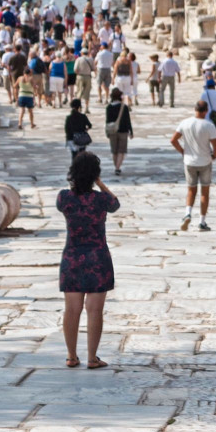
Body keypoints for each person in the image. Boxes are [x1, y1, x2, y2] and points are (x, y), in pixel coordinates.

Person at [58, 152, 119, 370]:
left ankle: (71, 356)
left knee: (71, 309)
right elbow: (115, 204)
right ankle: (93, 358)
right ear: (95, 174)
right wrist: (99, 183)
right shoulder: (102, 200)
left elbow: (62, 204)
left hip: (72, 257)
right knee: (94, 310)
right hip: (98, 258)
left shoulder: (64, 198)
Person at [171, 100, 216, 232]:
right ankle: (202, 221)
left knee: (191, 190)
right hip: (205, 161)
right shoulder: (208, 125)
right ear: (206, 111)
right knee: (205, 193)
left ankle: (187, 213)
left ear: (195, 109)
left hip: (189, 161)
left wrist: (182, 151)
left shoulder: (185, 123)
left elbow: (173, 140)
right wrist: (214, 156)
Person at [104, 87, 134, 176]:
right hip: (123, 131)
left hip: (112, 131)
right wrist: (131, 131)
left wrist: (107, 132)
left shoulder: (109, 107)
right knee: (121, 150)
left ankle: (116, 167)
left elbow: (107, 121)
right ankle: (117, 168)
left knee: (114, 151)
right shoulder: (123, 107)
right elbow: (128, 120)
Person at [64, 98, 93, 167]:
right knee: (81, 155)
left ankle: (74, 169)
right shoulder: (83, 116)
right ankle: (81, 168)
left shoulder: (69, 117)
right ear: (79, 107)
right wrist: (85, 130)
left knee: (74, 155)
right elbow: (90, 125)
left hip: (72, 138)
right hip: (81, 138)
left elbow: (67, 129)